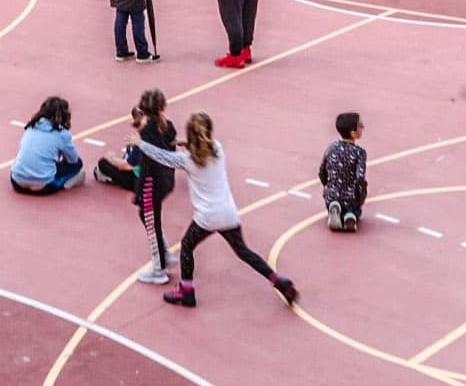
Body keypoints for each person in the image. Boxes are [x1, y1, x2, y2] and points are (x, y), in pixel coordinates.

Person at [130, 113, 297, 309]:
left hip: (207, 218)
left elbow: (163, 157)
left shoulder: (187, 160)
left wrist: (141, 144)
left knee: (186, 246)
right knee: (243, 251)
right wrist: (187, 142)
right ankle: (278, 281)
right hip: (228, 213)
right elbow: (202, 147)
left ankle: (187, 291)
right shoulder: (218, 149)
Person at [96, 89, 179, 284]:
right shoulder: (169, 127)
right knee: (149, 217)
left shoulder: (144, 135)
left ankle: (159, 270)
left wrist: (113, 159)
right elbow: (172, 146)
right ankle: (164, 253)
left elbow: (131, 164)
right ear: (163, 107)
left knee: (150, 221)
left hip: (151, 183)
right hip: (167, 179)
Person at [8, 98, 85, 196]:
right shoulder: (62, 134)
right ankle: (66, 182)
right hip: (43, 186)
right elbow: (73, 160)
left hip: (17, 182)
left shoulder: (31, 126)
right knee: (78, 164)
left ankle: (26, 174)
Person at [320, 113, 368, 231]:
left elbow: (322, 172)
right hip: (350, 197)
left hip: (332, 194)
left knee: (334, 198)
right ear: (353, 133)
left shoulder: (331, 148)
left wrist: (328, 186)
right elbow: (360, 178)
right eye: (361, 126)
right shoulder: (359, 152)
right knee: (355, 207)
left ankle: (334, 206)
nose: (363, 128)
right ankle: (350, 215)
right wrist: (361, 196)